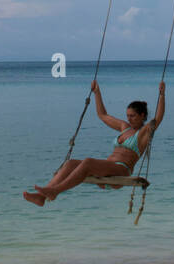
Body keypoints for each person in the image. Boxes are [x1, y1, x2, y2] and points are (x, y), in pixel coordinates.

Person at [23, 80, 165, 205]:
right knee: (70, 163)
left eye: (133, 116)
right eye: (127, 116)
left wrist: (162, 95)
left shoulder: (143, 134)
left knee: (88, 162)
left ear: (142, 116)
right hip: (106, 172)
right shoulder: (124, 127)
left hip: (121, 171)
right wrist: (97, 92)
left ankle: (55, 191)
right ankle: (41, 197)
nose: (129, 119)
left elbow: (157, 119)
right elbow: (102, 115)